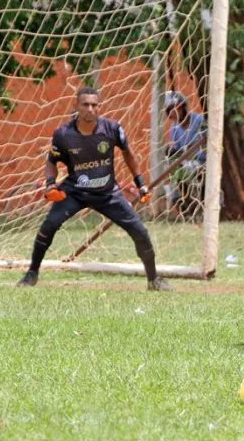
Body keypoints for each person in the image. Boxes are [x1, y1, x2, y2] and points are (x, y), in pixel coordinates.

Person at [17, 87, 171, 291]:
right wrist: (50, 183)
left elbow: (129, 154)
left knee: (140, 231)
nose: (90, 109)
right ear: (77, 106)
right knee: (49, 225)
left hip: (108, 193)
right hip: (75, 192)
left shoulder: (113, 129)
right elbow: (51, 162)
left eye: (94, 105)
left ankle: (154, 280)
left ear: (98, 106)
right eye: (85, 104)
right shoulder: (63, 134)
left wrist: (140, 183)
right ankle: (32, 274)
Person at [163, 91, 207, 214]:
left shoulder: (199, 120)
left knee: (182, 169)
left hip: (204, 162)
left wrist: (183, 153)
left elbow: (202, 144)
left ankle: (200, 204)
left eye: (174, 108)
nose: (171, 113)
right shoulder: (174, 129)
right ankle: (180, 205)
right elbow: (178, 151)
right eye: (168, 110)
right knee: (169, 170)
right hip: (187, 163)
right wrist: (172, 151)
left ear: (182, 107)